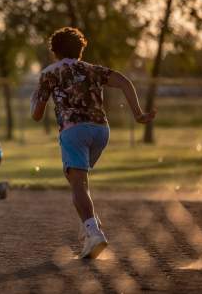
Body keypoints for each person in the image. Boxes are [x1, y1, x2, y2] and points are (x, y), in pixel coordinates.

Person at [31, 27, 156, 259]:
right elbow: (125, 82)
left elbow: (37, 115)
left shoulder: (50, 72)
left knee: (77, 183)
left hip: (73, 130)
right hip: (101, 130)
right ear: (80, 50)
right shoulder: (92, 69)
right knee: (78, 179)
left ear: (54, 51)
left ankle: (93, 231)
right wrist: (138, 114)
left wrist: (34, 102)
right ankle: (90, 223)